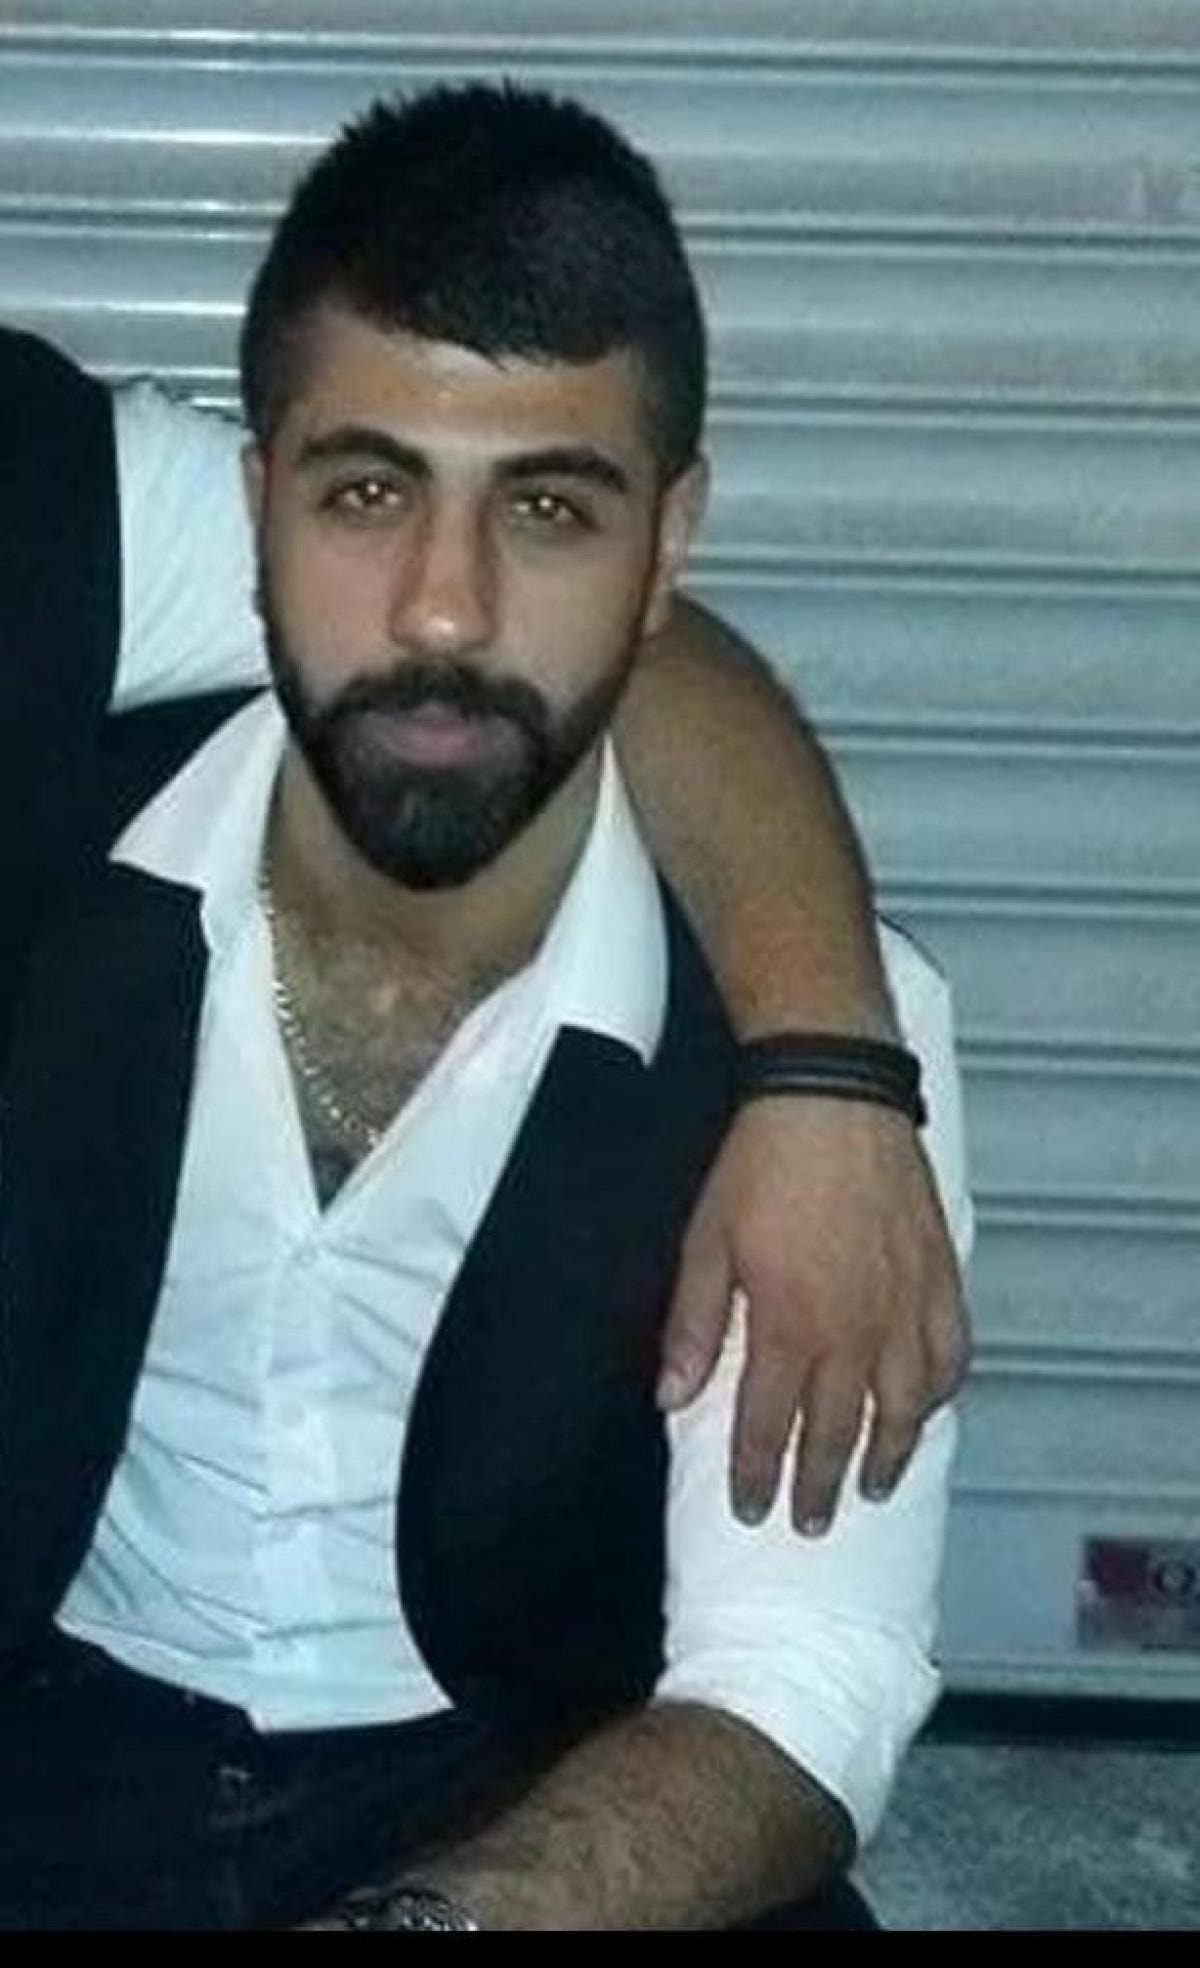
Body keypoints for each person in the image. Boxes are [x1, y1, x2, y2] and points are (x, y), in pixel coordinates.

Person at [0, 84, 970, 1929]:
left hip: (529, 1776)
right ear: (256, 507)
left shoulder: (809, 1047)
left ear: (671, 548)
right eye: (365, 494)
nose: (442, 613)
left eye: (550, 509)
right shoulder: (52, 855)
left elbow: (801, 1680)